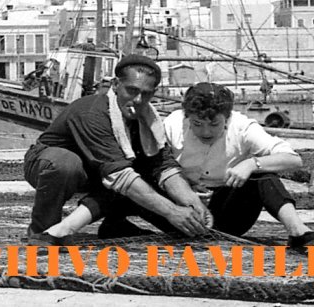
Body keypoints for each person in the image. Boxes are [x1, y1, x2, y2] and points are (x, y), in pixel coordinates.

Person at [22, 54, 209, 244]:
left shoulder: (148, 121)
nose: (138, 99)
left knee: (182, 221)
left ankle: (115, 225)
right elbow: (119, 175)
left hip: (100, 170)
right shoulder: (92, 112)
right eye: (132, 90)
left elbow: (163, 166)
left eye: (146, 94)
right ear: (115, 85)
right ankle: (44, 230)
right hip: (50, 165)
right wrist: (171, 211)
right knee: (66, 164)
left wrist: (191, 202)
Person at [164, 82, 314, 250]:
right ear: (187, 117)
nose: (206, 132)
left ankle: (297, 231)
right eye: (197, 124)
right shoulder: (172, 124)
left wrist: (251, 164)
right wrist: (183, 187)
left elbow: (293, 159)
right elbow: (156, 164)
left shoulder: (243, 127)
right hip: (178, 210)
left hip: (228, 212)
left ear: (227, 118)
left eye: (214, 124)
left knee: (263, 175)